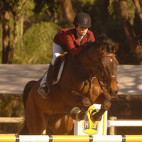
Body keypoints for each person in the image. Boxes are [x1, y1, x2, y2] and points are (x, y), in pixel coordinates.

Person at [38, 12, 95, 98]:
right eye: (81, 27)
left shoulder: (90, 35)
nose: (83, 30)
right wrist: (84, 46)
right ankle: (45, 84)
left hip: (76, 48)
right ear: (76, 26)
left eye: (85, 28)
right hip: (60, 44)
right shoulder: (68, 34)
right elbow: (73, 52)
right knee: (56, 58)